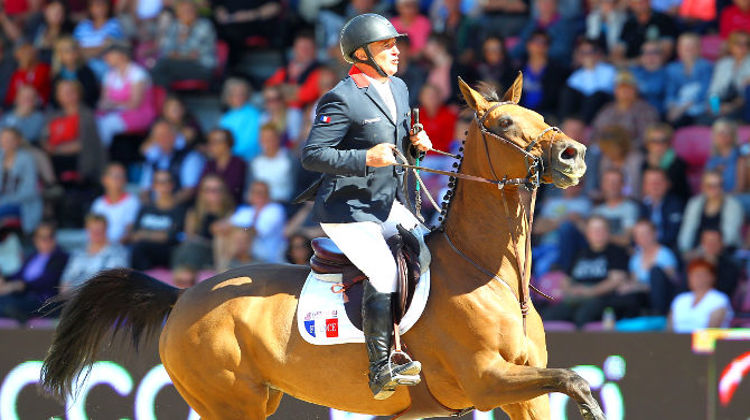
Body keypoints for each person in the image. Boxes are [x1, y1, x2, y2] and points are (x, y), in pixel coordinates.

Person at [300, 14, 431, 399]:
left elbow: (397, 147)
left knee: (430, 250)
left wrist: (415, 145)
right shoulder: (342, 97)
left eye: (396, 43)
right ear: (361, 54)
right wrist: (364, 158)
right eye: (386, 45)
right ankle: (380, 368)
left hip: (386, 202)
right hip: (347, 209)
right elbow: (313, 154)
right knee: (385, 271)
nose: (396, 50)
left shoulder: (401, 88)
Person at [541, 216, 630, 328]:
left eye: (601, 229)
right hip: (576, 298)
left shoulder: (617, 252)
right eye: (593, 230)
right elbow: (565, 280)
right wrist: (571, 290)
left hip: (602, 299)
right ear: (587, 234)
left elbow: (616, 280)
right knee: (546, 316)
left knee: (582, 315)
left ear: (608, 232)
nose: (597, 233)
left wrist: (590, 291)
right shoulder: (579, 253)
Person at [0, 222, 68, 322]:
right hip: (24, 296)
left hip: (43, 300)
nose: (47, 240)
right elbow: (18, 274)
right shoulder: (33, 256)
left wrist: (22, 285)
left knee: (10, 305)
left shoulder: (60, 257)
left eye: (50, 236)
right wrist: (5, 279)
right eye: (42, 237)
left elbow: (47, 280)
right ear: (35, 240)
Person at [96, 43, 156, 147]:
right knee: (92, 121)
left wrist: (112, 105)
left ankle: (101, 157)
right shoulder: (109, 75)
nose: (106, 57)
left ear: (122, 56)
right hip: (115, 112)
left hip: (138, 113)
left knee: (107, 125)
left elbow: (134, 104)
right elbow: (104, 101)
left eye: (110, 54)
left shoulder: (137, 73)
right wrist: (106, 106)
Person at [172, 175, 235, 270]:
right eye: (208, 190)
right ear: (202, 193)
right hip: (197, 252)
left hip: (220, 253)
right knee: (185, 249)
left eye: (217, 189)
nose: (213, 193)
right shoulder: (194, 213)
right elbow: (189, 237)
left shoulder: (231, 213)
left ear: (224, 192)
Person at [139, 119, 205, 205]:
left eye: (166, 134)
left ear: (175, 135)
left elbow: (189, 190)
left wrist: (167, 205)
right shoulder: (152, 158)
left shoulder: (191, 157)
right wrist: (150, 207)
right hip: (155, 208)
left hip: (180, 208)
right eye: (158, 136)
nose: (162, 139)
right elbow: (145, 190)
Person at [129, 169, 186, 270]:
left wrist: (143, 234)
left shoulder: (179, 211)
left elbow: (169, 237)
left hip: (166, 256)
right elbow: (134, 235)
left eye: (166, 181)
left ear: (172, 184)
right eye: (159, 182)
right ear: (153, 186)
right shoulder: (145, 208)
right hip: (142, 256)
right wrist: (158, 235)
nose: (163, 186)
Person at [151, 0, 216, 87]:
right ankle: (170, 98)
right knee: (162, 71)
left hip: (202, 67)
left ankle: (169, 98)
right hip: (177, 65)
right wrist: (178, 55)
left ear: (196, 11)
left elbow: (193, 54)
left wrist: (184, 36)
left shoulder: (204, 26)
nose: (187, 14)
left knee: (162, 66)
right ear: (178, 14)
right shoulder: (174, 25)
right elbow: (166, 50)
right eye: (183, 11)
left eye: (190, 10)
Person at [678, 170, 744, 254]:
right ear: (702, 187)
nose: (714, 189)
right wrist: (685, 250)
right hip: (695, 250)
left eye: (718, 185)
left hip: (725, 251)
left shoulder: (733, 205)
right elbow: (687, 230)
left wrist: (701, 251)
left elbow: (729, 237)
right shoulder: (694, 203)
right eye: (710, 186)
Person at [59, 213, 128, 294]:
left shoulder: (117, 252)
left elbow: (117, 282)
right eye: (92, 230)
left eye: (99, 230)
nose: (96, 233)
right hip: (74, 299)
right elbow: (66, 279)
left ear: (106, 229)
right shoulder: (79, 253)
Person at [622, 220, 679, 315]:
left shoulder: (665, 254)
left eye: (646, 233)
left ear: (655, 234)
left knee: (655, 271)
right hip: (644, 299)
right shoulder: (635, 259)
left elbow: (669, 283)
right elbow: (634, 283)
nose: (643, 238)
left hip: (664, 300)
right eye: (638, 235)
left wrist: (639, 287)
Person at [591, 71, 659, 147]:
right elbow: (596, 133)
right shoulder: (607, 109)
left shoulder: (646, 110)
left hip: (633, 151)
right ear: (615, 91)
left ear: (635, 90)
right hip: (605, 151)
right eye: (621, 88)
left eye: (629, 88)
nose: (625, 91)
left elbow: (646, 138)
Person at [669, 258, 733, 332]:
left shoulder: (719, 299)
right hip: (676, 342)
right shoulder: (680, 299)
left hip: (705, 342)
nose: (697, 278)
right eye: (693, 275)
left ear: (712, 277)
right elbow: (669, 328)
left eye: (701, 275)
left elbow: (712, 329)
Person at [559, 38, 616, 123]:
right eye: (583, 53)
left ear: (598, 54)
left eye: (590, 53)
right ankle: (565, 123)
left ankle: (583, 126)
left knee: (597, 95)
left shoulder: (609, 70)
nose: (587, 56)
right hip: (582, 107)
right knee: (568, 92)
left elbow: (599, 91)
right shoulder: (576, 75)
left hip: (601, 106)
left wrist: (590, 69)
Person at [664, 33, 713, 127]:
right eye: (685, 47)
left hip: (702, 106)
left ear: (699, 49)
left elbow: (704, 91)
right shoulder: (672, 68)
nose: (689, 50)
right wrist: (671, 108)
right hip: (680, 107)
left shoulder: (706, 66)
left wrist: (682, 107)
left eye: (692, 47)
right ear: (679, 49)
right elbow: (670, 92)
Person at [0, 127, 42, 235]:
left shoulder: (26, 159)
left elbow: (30, 189)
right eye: (3, 138)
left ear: (17, 141)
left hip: (23, 205)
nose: (5, 142)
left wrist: (6, 200)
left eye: (9, 139)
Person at [73, 0, 124, 78]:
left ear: (108, 7)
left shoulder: (114, 24)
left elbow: (108, 48)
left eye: (102, 4)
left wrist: (85, 52)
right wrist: (99, 49)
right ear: (90, 7)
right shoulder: (83, 25)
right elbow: (74, 47)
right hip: (83, 69)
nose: (99, 8)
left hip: (106, 70)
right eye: (96, 5)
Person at [90, 162, 140, 244]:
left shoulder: (133, 202)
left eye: (121, 176)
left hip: (122, 248)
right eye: (114, 176)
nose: (118, 179)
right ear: (104, 179)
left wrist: (112, 245)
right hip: (100, 246)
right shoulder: (98, 203)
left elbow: (130, 231)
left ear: (125, 180)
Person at [706, 30, 750, 121]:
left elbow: (744, 94)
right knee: (704, 119)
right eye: (738, 43)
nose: (743, 47)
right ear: (730, 45)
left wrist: (731, 106)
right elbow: (714, 91)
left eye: (747, 43)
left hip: (743, 106)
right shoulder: (723, 64)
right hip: (722, 103)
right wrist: (716, 108)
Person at [642, 123, 691, 201]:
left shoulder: (678, 163)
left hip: (674, 203)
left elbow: (666, 189)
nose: (658, 145)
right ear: (648, 144)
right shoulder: (644, 163)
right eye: (654, 141)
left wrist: (655, 166)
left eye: (663, 141)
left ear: (669, 143)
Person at [591, 169, 640, 247]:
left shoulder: (630, 208)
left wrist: (600, 237)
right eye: (608, 182)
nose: (612, 186)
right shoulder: (597, 211)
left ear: (623, 185)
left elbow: (627, 240)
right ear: (602, 185)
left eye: (616, 182)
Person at [638, 168, 684, 249]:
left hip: (668, 249)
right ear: (644, 186)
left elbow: (674, 233)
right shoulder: (640, 206)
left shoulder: (676, 204)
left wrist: (654, 246)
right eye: (651, 183)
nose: (655, 186)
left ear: (667, 184)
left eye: (658, 182)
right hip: (643, 249)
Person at [219, 77, 263, 161]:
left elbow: (251, 142)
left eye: (242, 94)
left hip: (249, 159)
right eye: (235, 94)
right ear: (228, 96)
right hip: (230, 159)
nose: (239, 97)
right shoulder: (225, 117)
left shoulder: (253, 114)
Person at [249, 124, 295, 203]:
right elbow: (249, 190)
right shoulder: (255, 162)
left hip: (283, 203)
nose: (267, 141)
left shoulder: (290, 160)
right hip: (259, 205)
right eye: (264, 138)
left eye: (271, 138)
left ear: (278, 139)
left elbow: (295, 188)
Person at [199, 128, 246, 205]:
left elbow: (234, 189)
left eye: (214, 142)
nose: (210, 146)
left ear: (227, 144)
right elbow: (201, 187)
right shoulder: (210, 164)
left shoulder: (238, 163)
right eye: (210, 142)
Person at [50, 36, 99, 108]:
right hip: (62, 111)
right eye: (66, 51)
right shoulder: (56, 74)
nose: (71, 53)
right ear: (59, 55)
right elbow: (54, 98)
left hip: (83, 108)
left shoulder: (86, 72)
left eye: (73, 50)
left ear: (77, 52)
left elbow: (92, 94)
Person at [4, 40, 51, 107]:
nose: (27, 54)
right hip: (18, 110)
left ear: (35, 52)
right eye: (23, 51)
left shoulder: (43, 68)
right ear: (16, 55)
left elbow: (33, 89)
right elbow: (10, 98)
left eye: (29, 50)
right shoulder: (16, 74)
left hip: (40, 109)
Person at [705, 119, 746, 193]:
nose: (723, 136)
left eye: (727, 133)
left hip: (736, 197)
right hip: (716, 198)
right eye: (720, 133)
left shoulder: (741, 155)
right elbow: (706, 186)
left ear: (733, 135)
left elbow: (741, 188)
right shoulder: (712, 159)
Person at [629, 40, 668, 114]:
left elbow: (654, 90)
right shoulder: (634, 71)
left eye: (654, 53)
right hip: (631, 114)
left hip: (656, 115)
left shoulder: (668, 73)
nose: (650, 56)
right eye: (645, 53)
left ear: (662, 55)